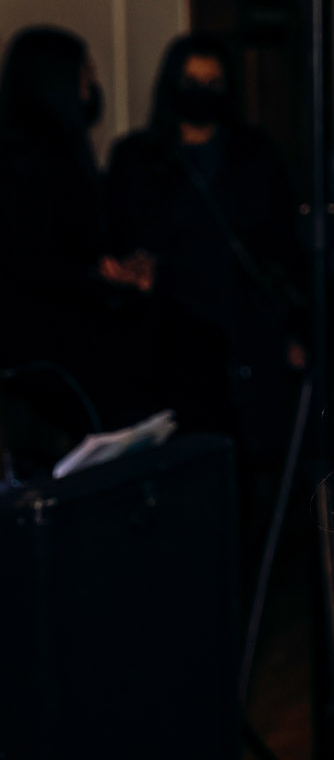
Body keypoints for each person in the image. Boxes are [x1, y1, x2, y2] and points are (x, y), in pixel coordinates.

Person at [104, 35, 306, 465]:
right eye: (191, 81)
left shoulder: (255, 155)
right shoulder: (137, 158)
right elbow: (119, 236)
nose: (201, 92)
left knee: (255, 461)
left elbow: (283, 247)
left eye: (213, 83)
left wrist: (293, 330)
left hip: (245, 335)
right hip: (170, 341)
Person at [0, 25, 154, 457]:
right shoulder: (27, 162)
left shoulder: (58, 154)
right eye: (84, 77)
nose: (92, 87)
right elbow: (32, 261)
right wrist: (102, 279)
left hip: (64, 332)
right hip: (47, 346)